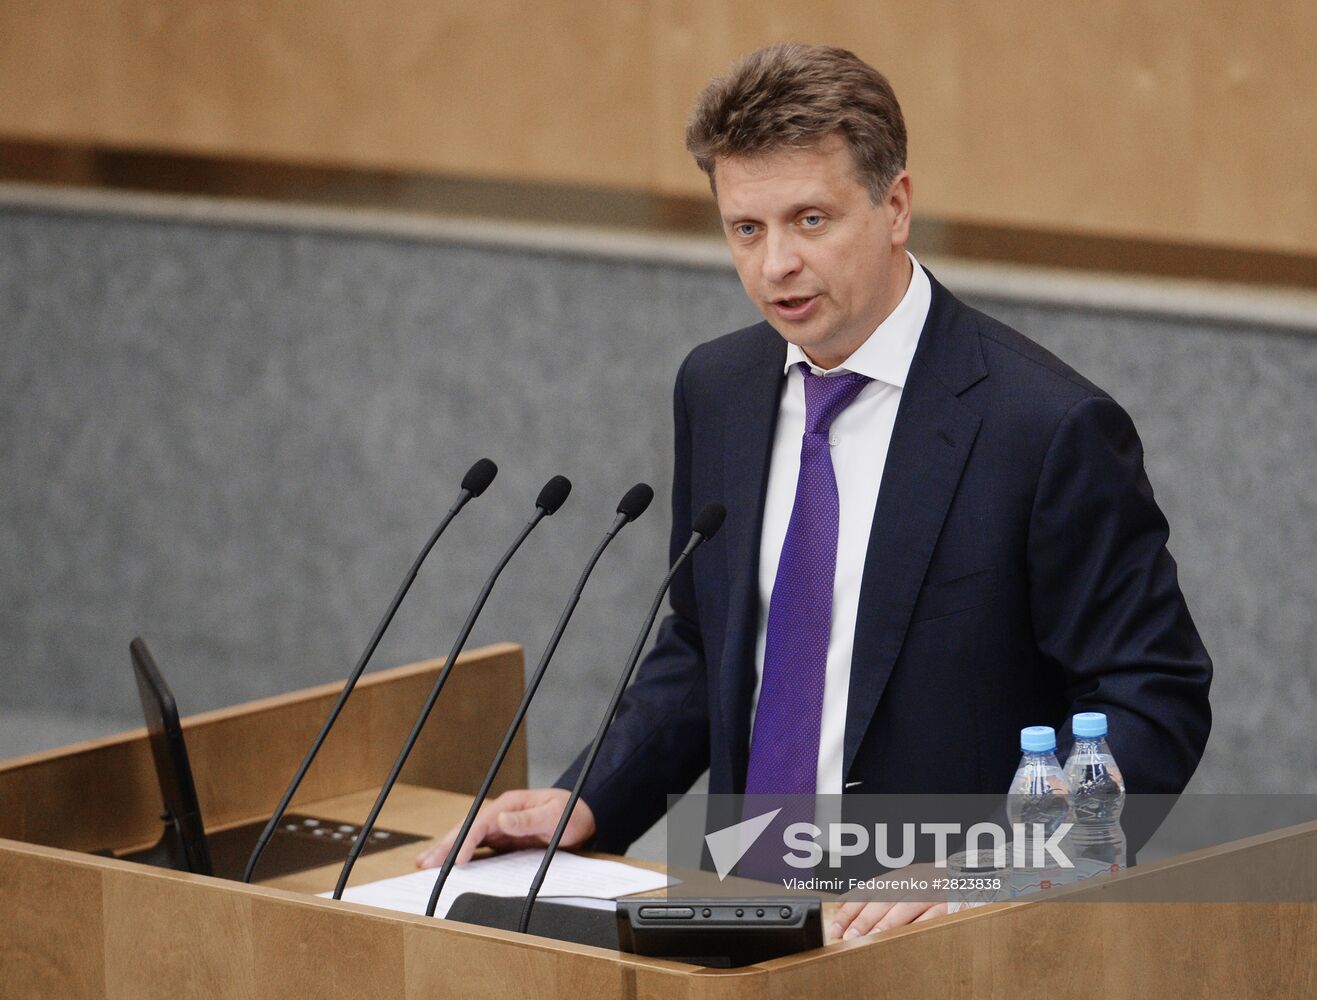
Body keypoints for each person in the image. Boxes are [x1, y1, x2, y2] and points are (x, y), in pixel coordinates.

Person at [417, 43, 1213, 940]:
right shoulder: (716, 388)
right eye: (745, 229)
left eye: (808, 220)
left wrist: (995, 864)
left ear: (895, 206)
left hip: (940, 936)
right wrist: (586, 797)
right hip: (742, 913)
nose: (774, 267)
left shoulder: (1043, 427)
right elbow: (704, 640)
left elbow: (1152, 700)